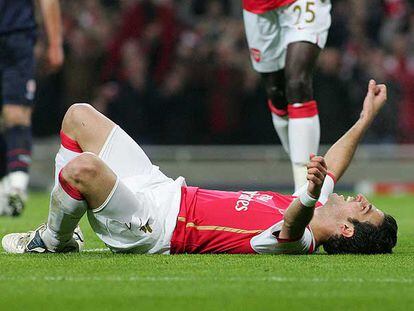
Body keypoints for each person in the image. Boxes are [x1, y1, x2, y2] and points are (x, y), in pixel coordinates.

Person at [2, 80, 397, 255]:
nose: (361, 199)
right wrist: (365, 119)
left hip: (151, 227)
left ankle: (54, 240)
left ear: (346, 230)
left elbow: (292, 226)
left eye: (364, 208)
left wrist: (309, 194)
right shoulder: (313, 203)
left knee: (83, 169)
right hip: (163, 188)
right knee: (79, 116)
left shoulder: (302, 243)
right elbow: (335, 166)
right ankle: (63, 232)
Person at [242, 0, 331, 190]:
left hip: (301, 3)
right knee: (276, 93)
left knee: (298, 83)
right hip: (258, 8)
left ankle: (304, 190)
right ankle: (309, 179)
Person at [0, 0, 64, 216]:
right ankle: (7, 184)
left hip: (17, 36)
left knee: (15, 113)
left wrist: (55, 42)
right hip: (17, 36)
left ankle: (16, 187)